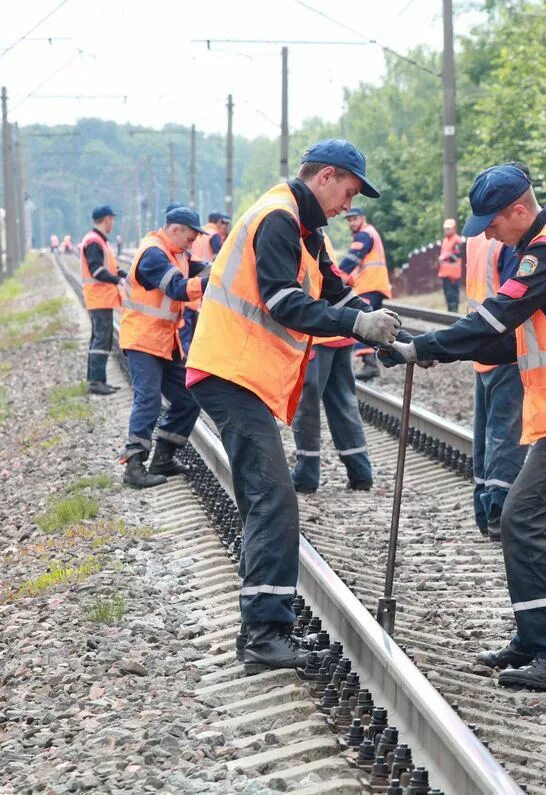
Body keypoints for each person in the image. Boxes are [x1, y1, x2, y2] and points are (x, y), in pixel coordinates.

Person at [382, 164, 546, 691]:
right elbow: (510, 340)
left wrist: (424, 346)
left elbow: (496, 318)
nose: (487, 234)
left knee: (523, 520)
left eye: (492, 223)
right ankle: (536, 637)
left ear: (519, 210)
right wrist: (434, 355)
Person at [186, 140, 399, 674]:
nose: (347, 206)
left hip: (242, 373)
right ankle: (263, 635)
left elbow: (331, 289)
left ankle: (264, 628)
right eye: (347, 192)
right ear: (325, 176)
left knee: (269, 498)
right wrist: (356, 326)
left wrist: (386, 330)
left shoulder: (305, 229)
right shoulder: (278, 218)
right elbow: (284, 302)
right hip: (229, 371)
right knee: (273, 500)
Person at [462, 163, 531, 540]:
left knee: (485, 433)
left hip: (480, 346)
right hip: (506, 347)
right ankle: (498, 514)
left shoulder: (475, 237)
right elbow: (515, 298)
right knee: (506, 433)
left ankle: (482, 507)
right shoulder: (508, 241)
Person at [118, 207, 209, 489]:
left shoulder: (176, 252)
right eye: (190, 238)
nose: (192, 244)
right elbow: (178, 289)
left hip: (166, 342)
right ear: (175, 229)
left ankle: (163, 459)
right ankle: (134, 465)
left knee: (187, 398)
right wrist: (211, 281)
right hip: (143, 340)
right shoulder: (153, 254)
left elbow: (199, 266)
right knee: (149, 400)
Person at [291, 236, 375, 494]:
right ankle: (360, 472)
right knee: (343, 400)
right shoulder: (319, 235)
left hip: (318, 333)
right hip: (340, 332)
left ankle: (306, 475)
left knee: (307, 404)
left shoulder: (298, 235)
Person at [337, 207, 392, 380]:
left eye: (354, 219)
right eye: (349, 220)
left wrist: (337, 276)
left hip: (370, 285)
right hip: (374, 284)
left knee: (363, 324)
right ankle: (373, 361)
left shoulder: (364, 235)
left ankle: (370, 364)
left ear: (363, 218)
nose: (352, 223)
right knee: (373, 325)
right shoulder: (369, 233)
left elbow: (353, 258)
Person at [79, 205, 126, 395]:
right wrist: (119, 280)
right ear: (107, 219)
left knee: (99, 339)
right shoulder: (94, 241)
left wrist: (121, 273)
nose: (112, 223)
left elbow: (107, 268)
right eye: (112, 219)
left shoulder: (98, 240)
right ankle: (96, 382)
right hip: (99, 299)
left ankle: (98, 380)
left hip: (101, 299)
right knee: (101, 339)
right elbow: (97, 271)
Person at [181, 213, 230, 355]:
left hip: (191, 281)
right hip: (204, 283)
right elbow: (221, 258)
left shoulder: (198, 233)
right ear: (219, 222)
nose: (225, 228)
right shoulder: (214, 236)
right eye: (225, 224)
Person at [437, 218, 464, 312]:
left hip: (453, 274)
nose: (446, 230)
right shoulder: (445, 240)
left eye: (448, 228)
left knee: (453, 296)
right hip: (445, 273)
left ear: (454, 229)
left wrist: (444, 258)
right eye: (445, 228)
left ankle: (453, 314)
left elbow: (456, 256)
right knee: (448, 296)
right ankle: (450, 314)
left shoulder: (456, 240)